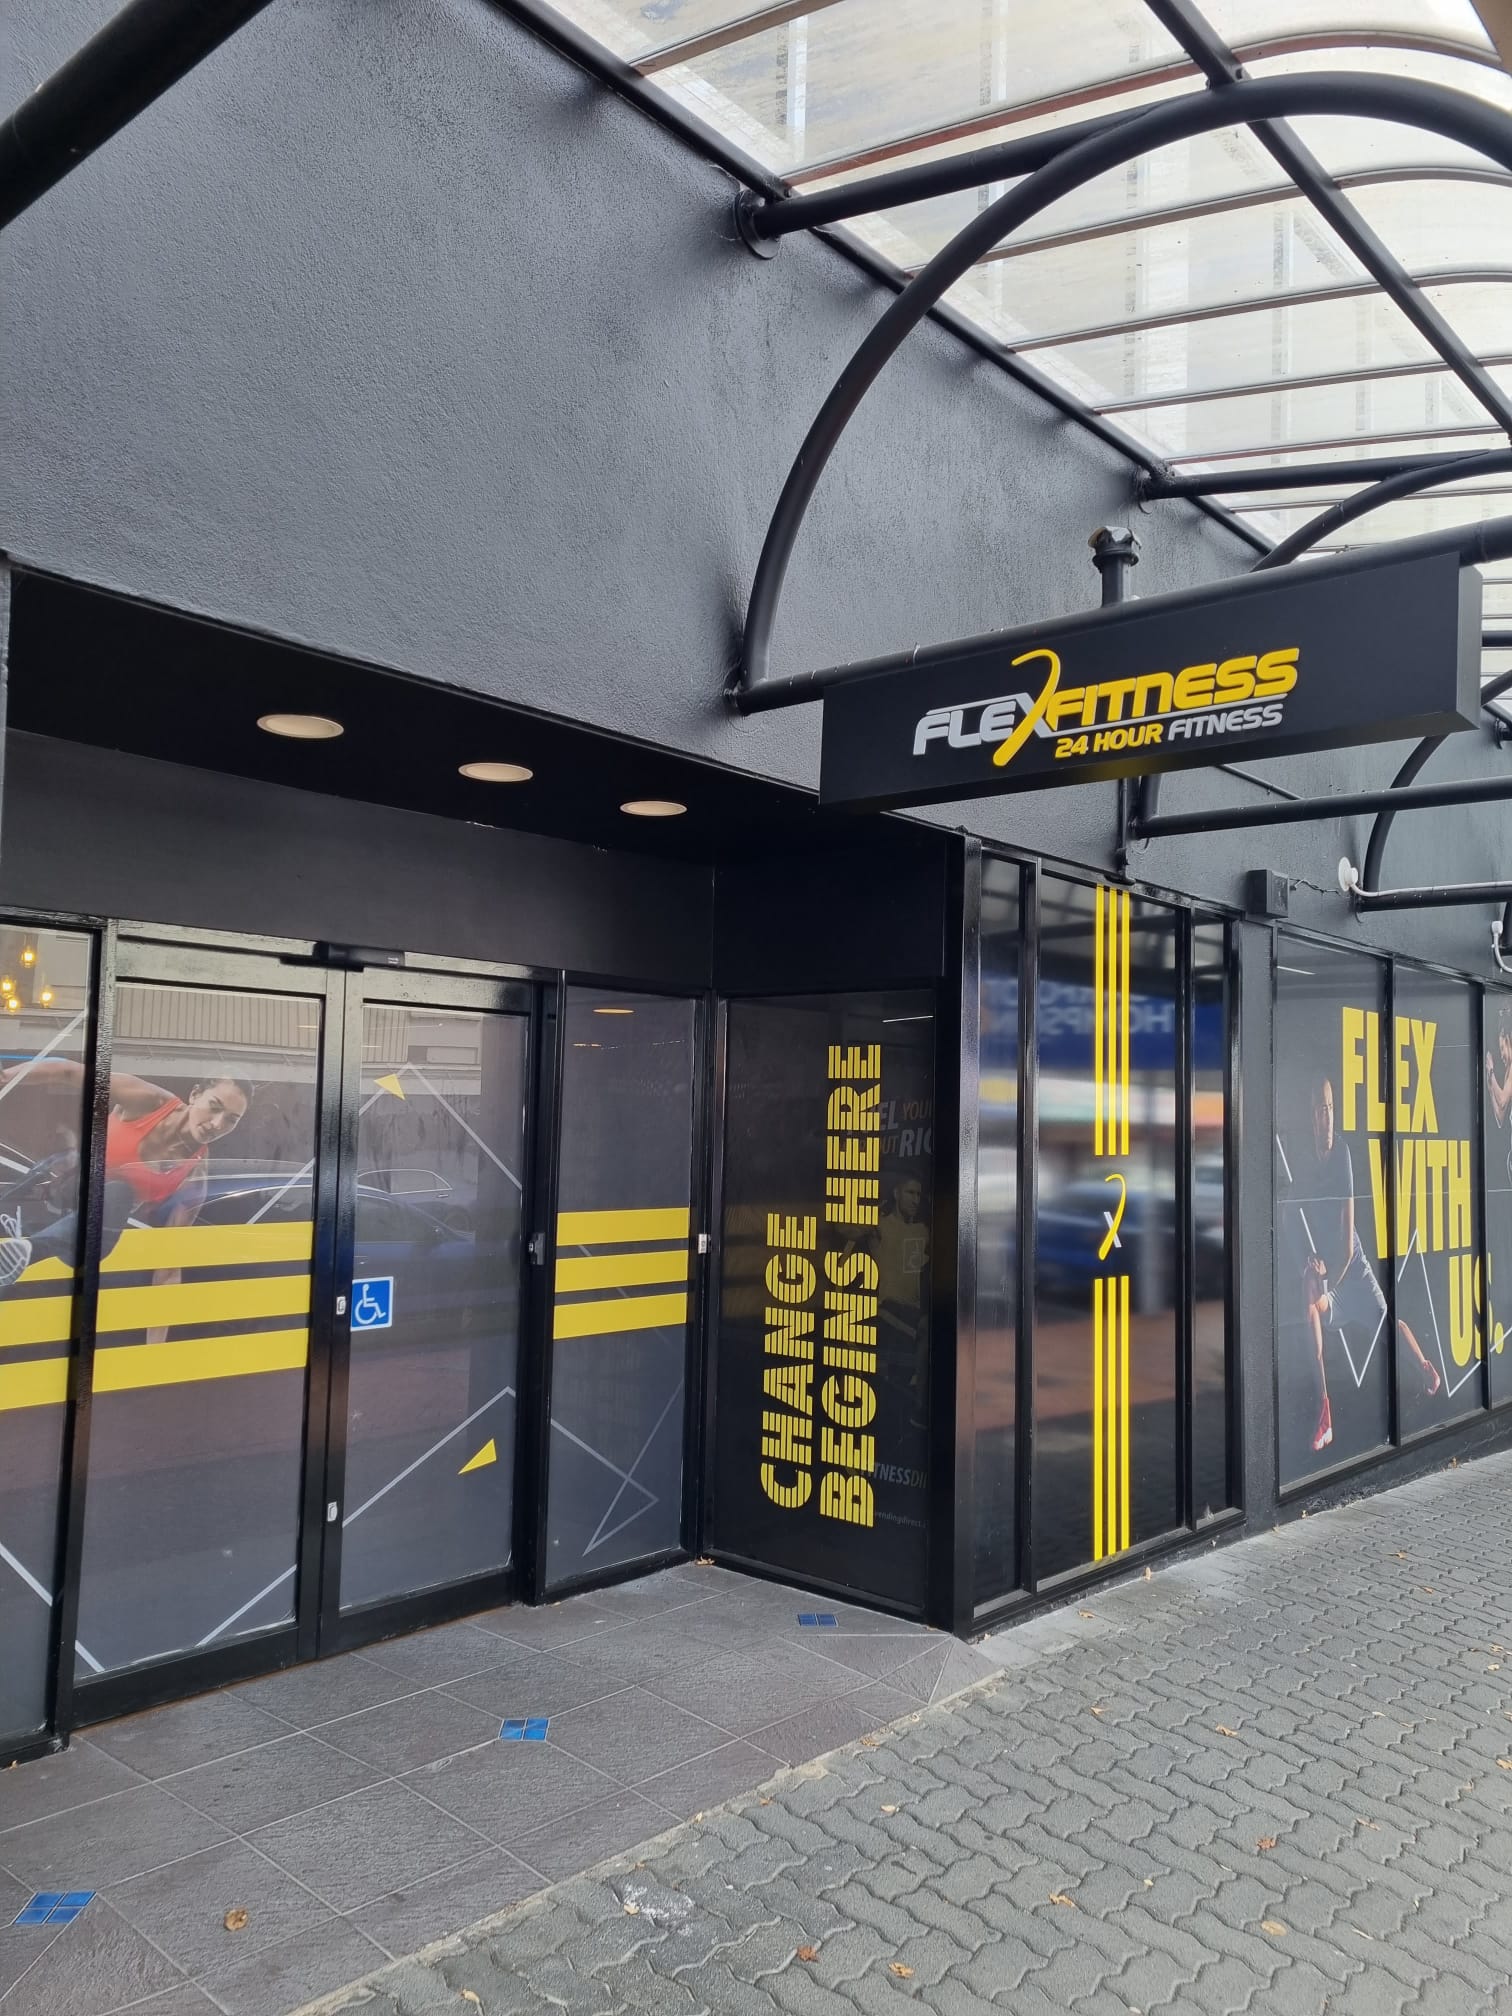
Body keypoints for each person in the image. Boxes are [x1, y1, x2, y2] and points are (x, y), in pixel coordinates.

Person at [1289, 1075, 1438, 1456]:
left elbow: (1343, 1244)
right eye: (1320, 1110)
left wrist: (1327, 1275)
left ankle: (1424, 1367)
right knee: (1307, 1291)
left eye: (1330, 1108)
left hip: (1351, 1270)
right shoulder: (1305, 1161)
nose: (1327, 1116)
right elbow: (1294, 1217)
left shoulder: (1342, 1155)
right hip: (1328, 1272)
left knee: (1389, 1326)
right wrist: (1310, 1265)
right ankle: (1325, 1412)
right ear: (1311, 1116)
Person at [0, 1062, 249, 1286]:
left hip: (86, 1239)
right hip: (58, 1195)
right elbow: (67, 1071)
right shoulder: (149, 1101)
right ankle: (21, 1226)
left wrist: (160, 1322)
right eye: (214, 1107)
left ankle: (28, 1249)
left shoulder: (195, 1171)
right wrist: (6, 1076)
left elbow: (170, 1257)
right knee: (69, 1159)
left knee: (120, 1191)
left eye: (231, 1120)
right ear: (195, 1094)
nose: (217, 1124)